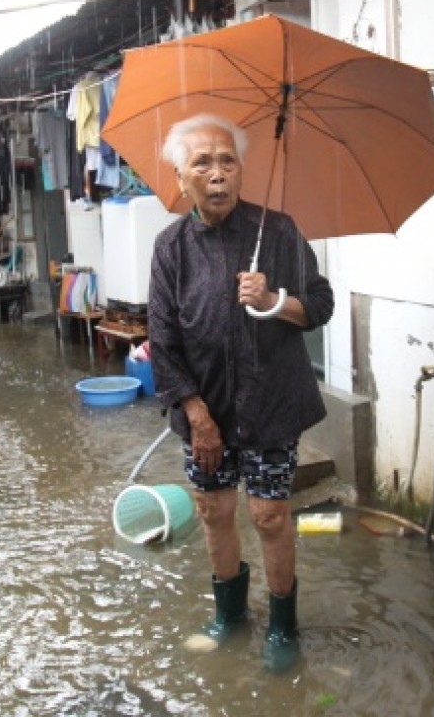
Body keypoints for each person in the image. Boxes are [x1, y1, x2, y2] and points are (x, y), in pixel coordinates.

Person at [147, 113, 335, 672]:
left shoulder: (276, 231)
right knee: (213, 509)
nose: (218, 173)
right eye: (202, 162)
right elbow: (162, 337)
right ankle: (229, 616)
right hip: (204, 407)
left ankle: (282, 627)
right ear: (181, 179)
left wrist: (275, 299)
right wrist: (196, 414)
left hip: (272, 401)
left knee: (270, 515)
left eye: (227, 160)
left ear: (241, 171)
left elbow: (320, 307)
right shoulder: (170, 246)